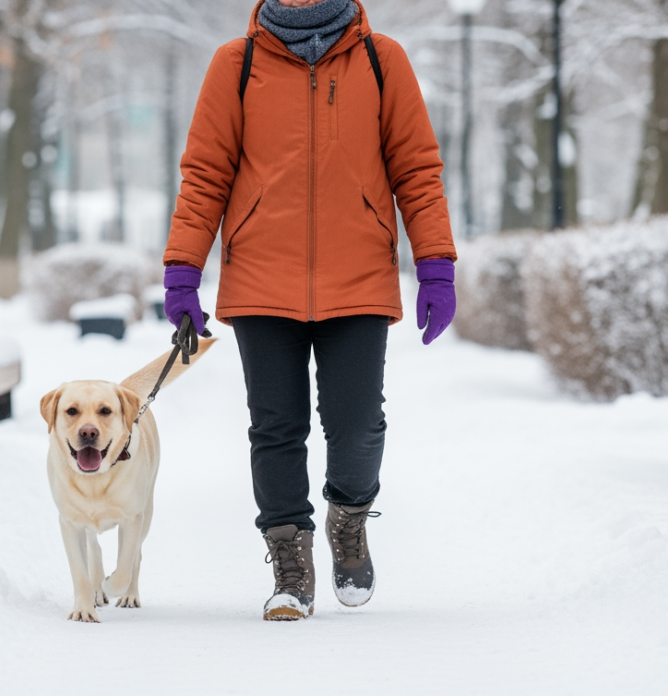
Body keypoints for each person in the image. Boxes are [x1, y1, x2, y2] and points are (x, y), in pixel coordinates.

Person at [162, 0, 457, 621]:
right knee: (276, 427)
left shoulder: (382, 60)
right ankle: (290, 562)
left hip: (359, 277)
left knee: (356, 426)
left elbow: (417, 169)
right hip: (260, 279)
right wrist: (182, 272)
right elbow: (205, 173)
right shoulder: (235, 65)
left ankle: (348, 518)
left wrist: (435, 264)